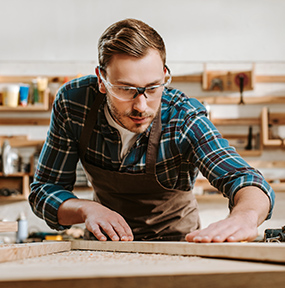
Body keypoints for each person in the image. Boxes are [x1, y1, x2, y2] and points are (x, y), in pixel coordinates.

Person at [29, 18, 274, 243]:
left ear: (165, 76)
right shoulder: (74, 103)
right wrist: (87, 209)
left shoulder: (182, 117)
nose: (141, 106)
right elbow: (44, 190)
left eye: (153, 88)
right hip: (105, 246)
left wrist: (244, 217)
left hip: (178, 245)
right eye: (125, 89)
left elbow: (245, 179)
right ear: (102, 81)